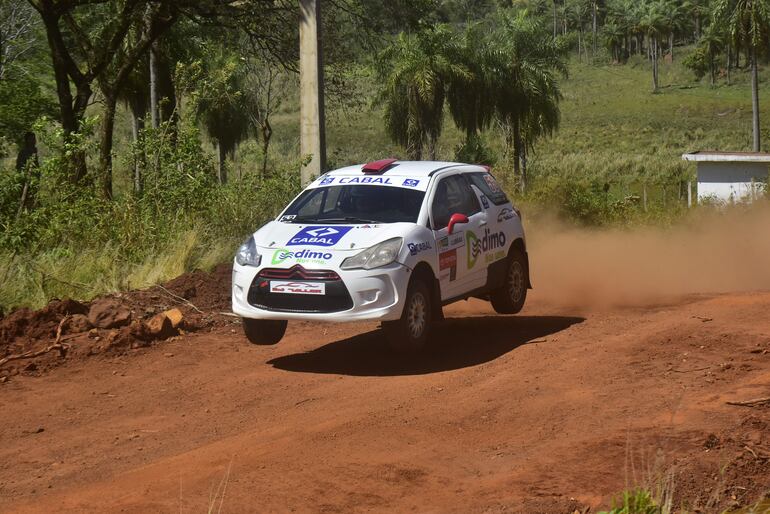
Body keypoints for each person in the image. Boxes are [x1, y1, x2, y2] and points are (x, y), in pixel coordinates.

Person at [15, 131, 40, 216]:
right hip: (25, 181)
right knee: (24, 199)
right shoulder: (23, 152)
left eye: (34, 139)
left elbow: (36, 165)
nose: (34, 141)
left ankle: (31, 215)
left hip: (35, 180)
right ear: (27, 140)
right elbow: (19, 167)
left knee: (33, 199)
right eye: (31, 139)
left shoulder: (34, 151)